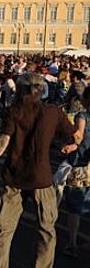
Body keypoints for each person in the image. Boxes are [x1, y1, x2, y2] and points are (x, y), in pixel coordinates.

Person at [0, 73, 82, 267]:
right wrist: (72, 146)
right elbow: (76, 136)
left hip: (14, 176)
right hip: (41, 178)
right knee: (46, 229)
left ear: (21, 90)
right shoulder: (53, 112)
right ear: (42, 91)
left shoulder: (13, 111)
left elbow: (3, 142)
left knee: (4, 230)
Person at [59, 86, 90, 258]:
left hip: (80, 165)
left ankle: (72, 243)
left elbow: (78, 136)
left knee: (74, 207)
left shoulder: (82, 115)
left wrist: (71, 144)